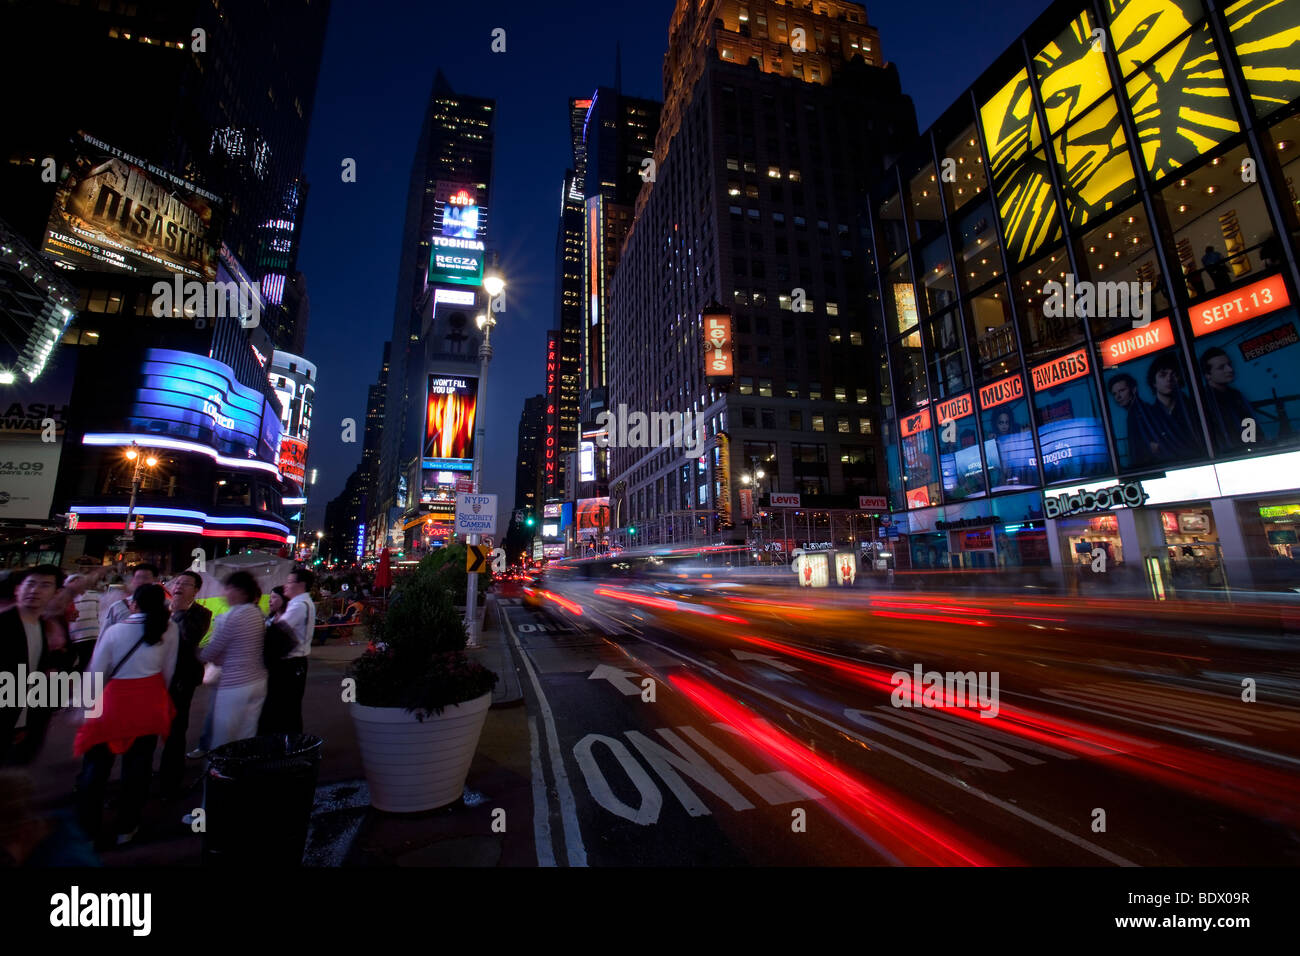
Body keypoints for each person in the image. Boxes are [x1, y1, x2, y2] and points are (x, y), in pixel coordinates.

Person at [73, 583, 178, 848]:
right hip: (149, 702)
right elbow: (169, 670)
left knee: (95, 769)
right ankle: (127, 827)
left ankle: (88, 830)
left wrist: (85, 706)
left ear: (133, 605)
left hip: (115, 703)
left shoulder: (116, 630)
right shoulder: (171, 628)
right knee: (138, 768)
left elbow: (98, 671)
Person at [0, 567, 70, 766]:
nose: (35, 590)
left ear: (56, 593)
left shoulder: (43, 627)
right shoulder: (4, 625)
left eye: (45, 585)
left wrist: (22, 722)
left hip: (17, 719)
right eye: (30, 584)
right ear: (17, 589)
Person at [158, 571, 212, 799]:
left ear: (196, 590)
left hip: (181, 680)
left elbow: (190, 637)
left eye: (185, 584)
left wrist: (178, 612)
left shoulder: (201, 613)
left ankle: (170, 781)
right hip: (156, 679)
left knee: (176, 730)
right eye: (177, 582)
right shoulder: (161, 610)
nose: (179, 586)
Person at [197, 571, 267, 750]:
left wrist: (203, 655)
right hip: (258, 681)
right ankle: (242, 772)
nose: (225, 593)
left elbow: (210, 653)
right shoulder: (257, 613)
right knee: (246, 735)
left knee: (223, 737)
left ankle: (221, 774)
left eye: (229, 588)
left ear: (241, 591)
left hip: (235, 684)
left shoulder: (232, 616)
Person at [261, 569, 313, 735]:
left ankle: (287, 747)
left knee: (284, 706)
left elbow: (278, 631)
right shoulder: (302, 603)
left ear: (301, 585)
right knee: (290, 707)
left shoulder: (298, 605)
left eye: (290, 582)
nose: (286, 585)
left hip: (290, 664)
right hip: (296, 663)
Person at [1144, 353, 1203, 461]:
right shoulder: (1148, 416)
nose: (1169, 379)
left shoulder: (1194, 407)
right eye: (1163, 375)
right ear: (1154, 382)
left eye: (1174, 374)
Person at [1200, 347, 1260, 451]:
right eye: (1221, 367)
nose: (1230, 369)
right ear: (1207, 375)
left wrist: (1254, 445)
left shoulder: (1236, 395)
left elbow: (1250, 423)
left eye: (1229, 365)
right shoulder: (1203, 401)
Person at [1109, 372, 1159, 467]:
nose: (1118, 397)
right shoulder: (1135, 413)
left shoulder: (1143, 412)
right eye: (1114, 394)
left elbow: (1154, 446)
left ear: (1134, 389)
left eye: (1122, 390)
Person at [102, 563, 159, 630]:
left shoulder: (164, 605)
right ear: (133, 579)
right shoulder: (118, 607)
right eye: (137, 577)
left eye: (145, 578)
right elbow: (105, 634)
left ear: (155, 580)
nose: (141, 581)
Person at [66, 576, 101, 673]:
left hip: (91, 634)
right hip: (72, 636)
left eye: (79, 581)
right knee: (68, 663)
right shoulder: (65, 598)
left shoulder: (94, 595)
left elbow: (99, 613)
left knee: (87, 663)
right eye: (74, 581)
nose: (77, 583)